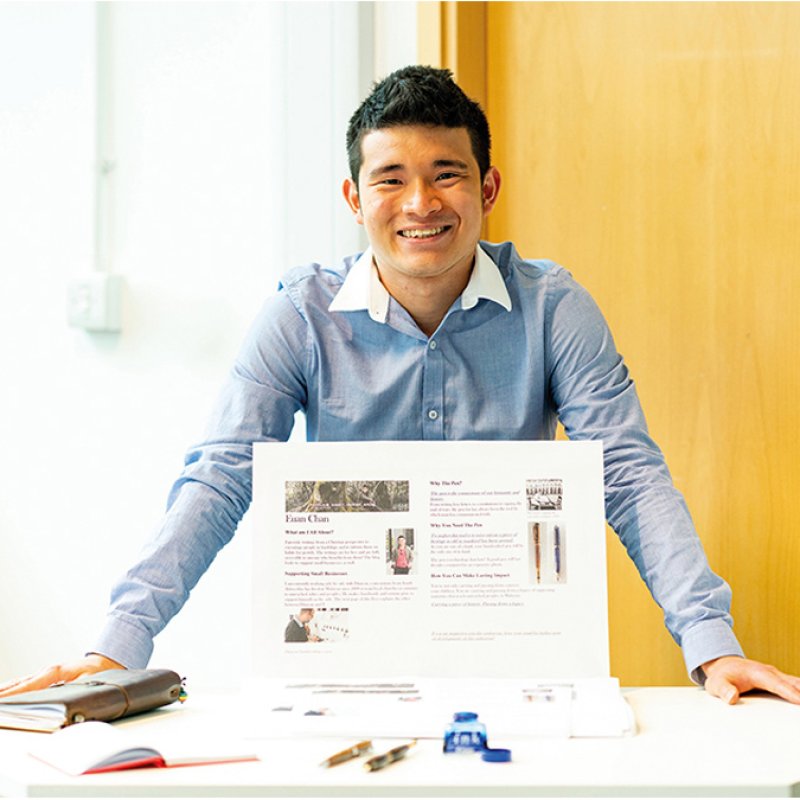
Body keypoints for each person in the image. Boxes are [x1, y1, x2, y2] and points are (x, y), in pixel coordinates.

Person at [1, 66, 798, 706]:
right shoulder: (300, 315)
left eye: (446, 174)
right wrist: (117, 646)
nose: (420, 203)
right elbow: (219, 478)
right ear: (355, 199)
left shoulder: (555, 306)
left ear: (487, 190)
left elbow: (625, 473)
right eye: (390, 179)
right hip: (342, 674)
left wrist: (711, 644)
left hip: (517, 664)